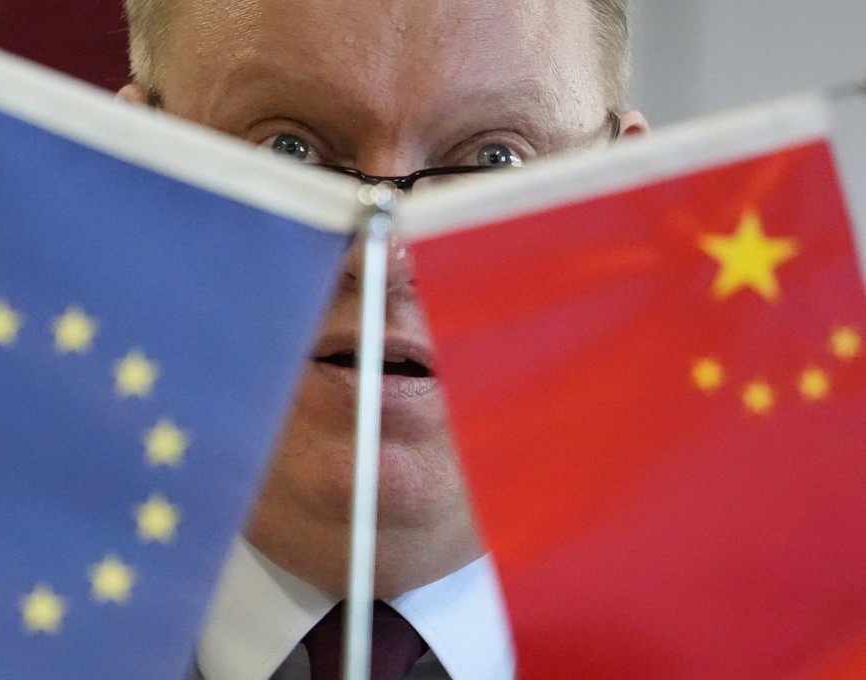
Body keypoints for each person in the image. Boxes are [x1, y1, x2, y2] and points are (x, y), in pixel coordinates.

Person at [116, 1, 649, 678]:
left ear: (623, 200)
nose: (384, 257)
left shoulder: (786, 648)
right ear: (131, 169)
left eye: (493, 158)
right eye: (290, 147)